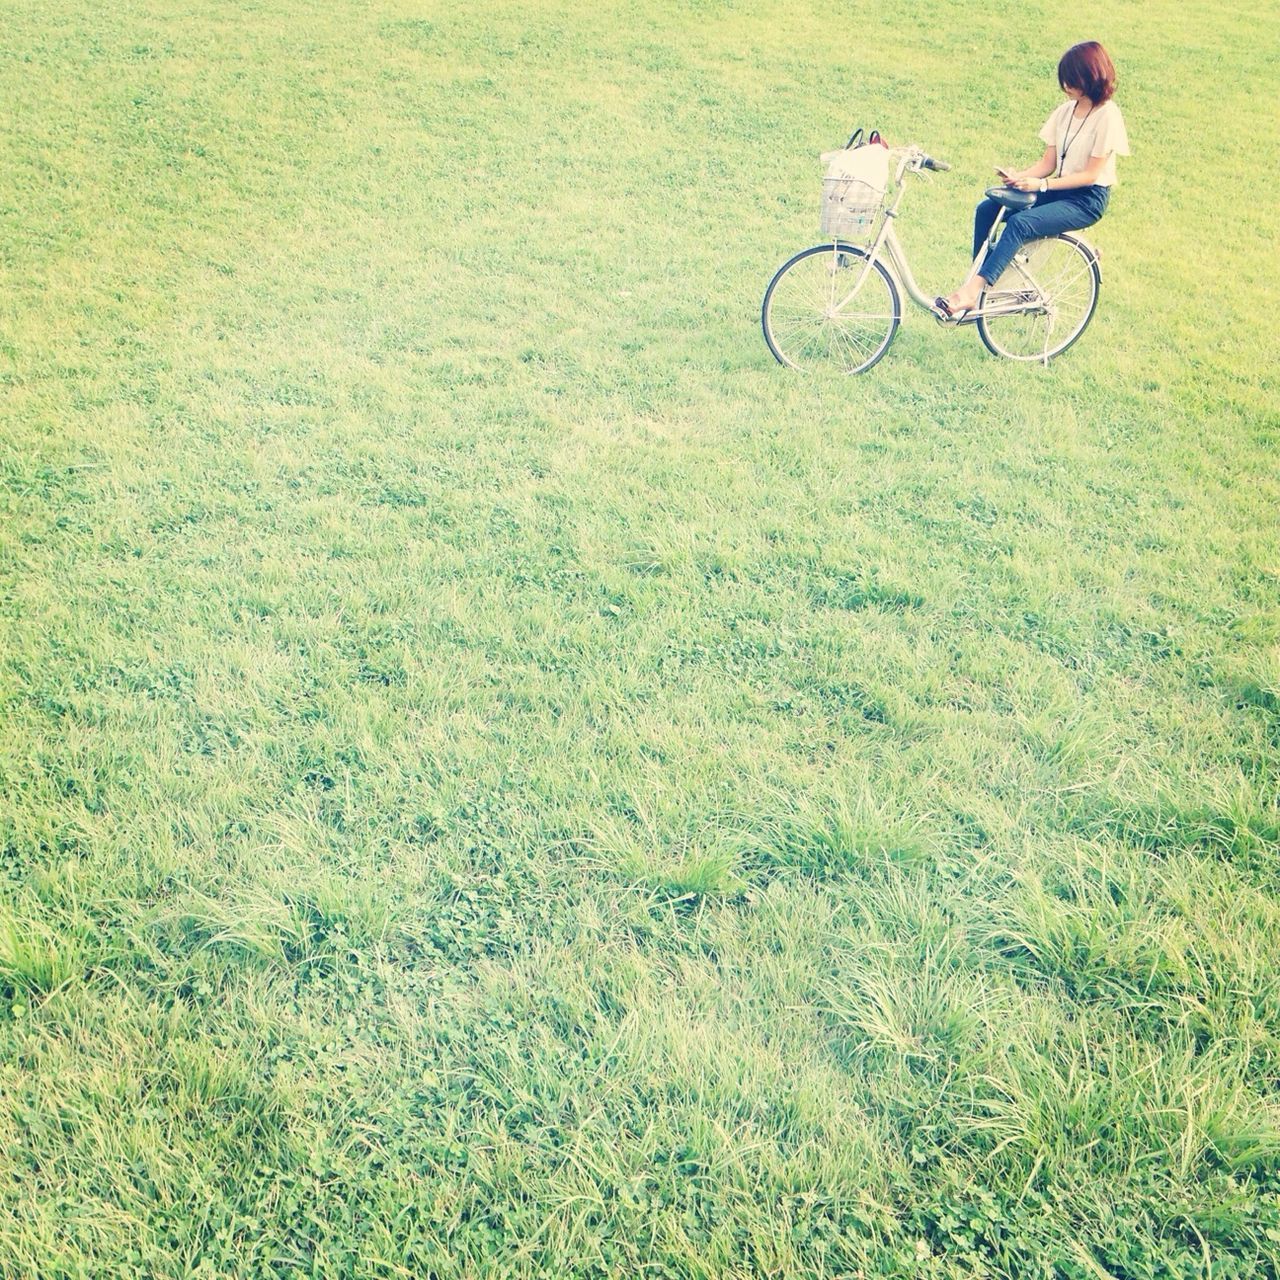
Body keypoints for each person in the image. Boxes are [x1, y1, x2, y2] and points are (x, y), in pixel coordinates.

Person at [936, 41, 1129, 320]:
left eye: (1072, 80)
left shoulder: (1107, 115)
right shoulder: (1065, 111)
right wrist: (1020, 177)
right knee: (987, 209)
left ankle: (972, 292)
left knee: (1020, 223)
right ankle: (983, 282)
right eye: (1065, 80)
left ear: (1091, 76)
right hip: (1060, 189)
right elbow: (1048, 164)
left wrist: (1041, 185)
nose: (1066, 87)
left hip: (1088, 198)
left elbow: (1091, 175)